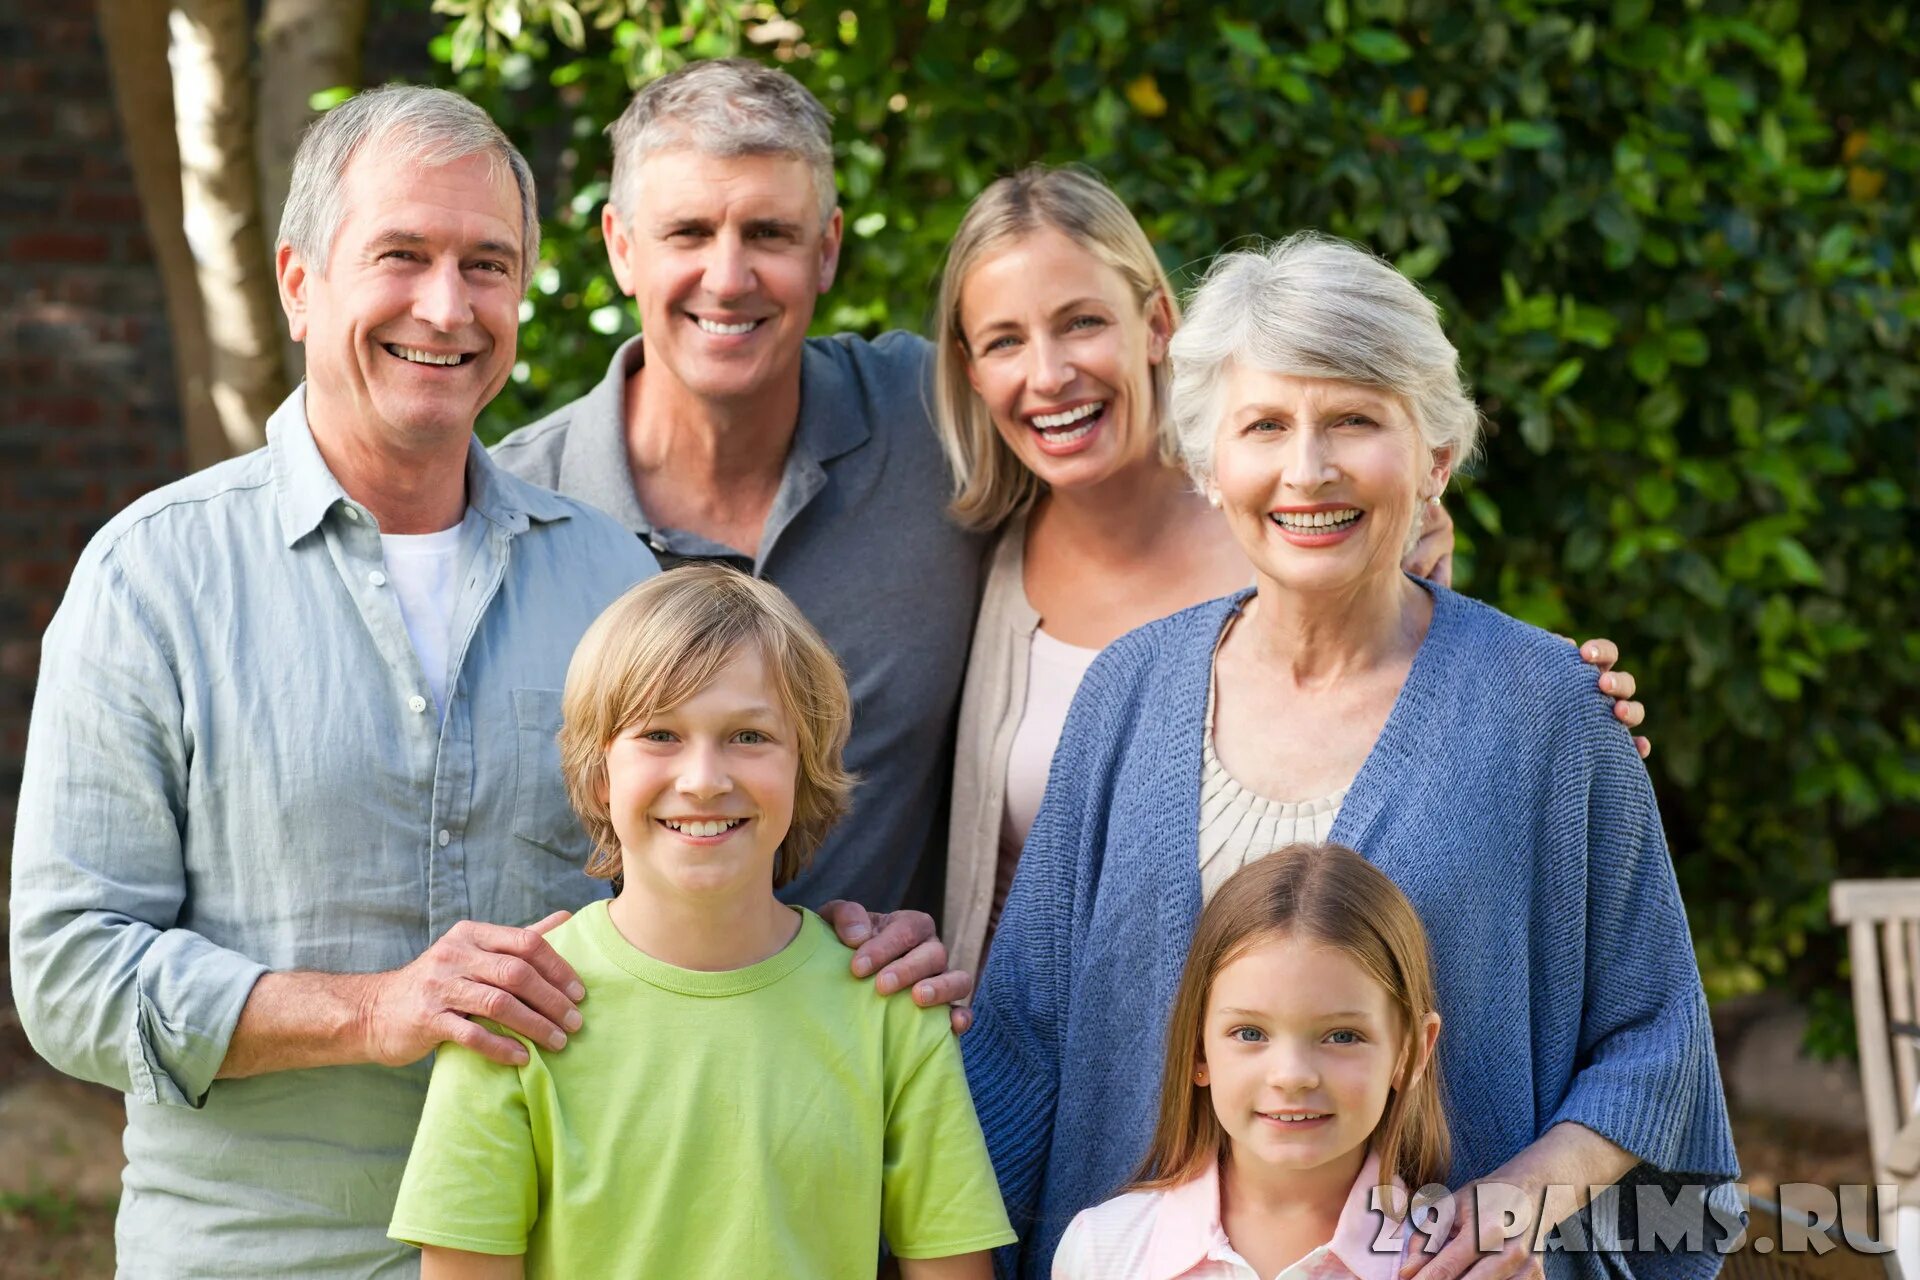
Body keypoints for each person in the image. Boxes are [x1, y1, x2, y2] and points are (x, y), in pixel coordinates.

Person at [7, 85, 951, 1278]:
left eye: (487, 264)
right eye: (401, 254)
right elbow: (70, 969)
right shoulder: (155, 575)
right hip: (262, 1255)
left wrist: (842, 943)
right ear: (300, 280)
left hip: (577, 1246)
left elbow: (694, 880)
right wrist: (370, 1009)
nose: (447, 307)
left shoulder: (611, 571)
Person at [963, 233, 1738, 1279]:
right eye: (1266, 425)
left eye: (1355, 421)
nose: (1308, 468)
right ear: (1208, 461)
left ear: (1435, 459)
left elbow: (1657, 1035)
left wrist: (1520, 1196)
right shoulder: (1126, 690)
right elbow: (1021, 1042)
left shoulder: (1549, 705)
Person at [931, 167, 1650, 977]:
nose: (1049, 373)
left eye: (1082, 322)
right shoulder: (961, 558)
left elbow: (1466, 729)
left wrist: (1570, 713)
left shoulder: (1318, 532)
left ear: (1157, 324)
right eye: (1004, 340)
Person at [388, 566, 1014, 1278]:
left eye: (749, 736)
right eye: (660, 734)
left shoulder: (890, 1013)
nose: (704, 778)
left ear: (804, 765)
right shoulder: (513, 1010)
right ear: (600, 774)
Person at [491, 58, 985, 935]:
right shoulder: (509, 512)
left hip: (876, 1043)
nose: (728, 277)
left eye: (768, 233)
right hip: (597, 1054)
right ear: (620, 246)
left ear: (826, 249)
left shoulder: (938, 424)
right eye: (688, 232)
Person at [1053, 842, 1446, 1280]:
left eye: (1342, 1036)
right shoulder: (1103, 1250)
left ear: (1411, 1053)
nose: (1292, 1076)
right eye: (1250, 1033)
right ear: (1199, 1051)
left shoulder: (1457, 1263)